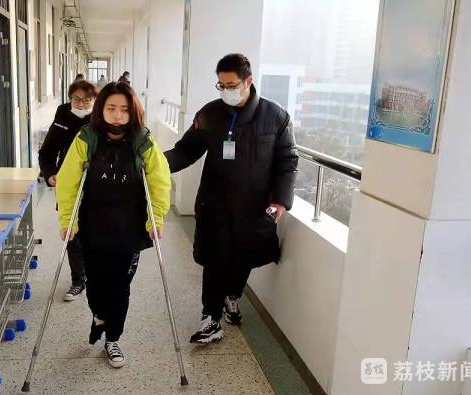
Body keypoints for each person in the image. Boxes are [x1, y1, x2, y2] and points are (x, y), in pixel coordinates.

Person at [164, 53, 298, 344]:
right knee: (214, 261)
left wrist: (281, 200)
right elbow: (186, 150)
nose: (226, 90)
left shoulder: (276, 117)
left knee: (243, 258)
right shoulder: (210, 114)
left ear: (248, 81)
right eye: (221, 85)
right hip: (216, 202)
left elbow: (287, 160)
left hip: (255, 204)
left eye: (231, 85)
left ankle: (232, 296)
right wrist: (155, 165)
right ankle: (210, 318)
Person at [56, 82, 171, 367]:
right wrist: (67, 219)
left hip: (130, 228)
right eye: (111, 108)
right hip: (93, 226)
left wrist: (155, 217)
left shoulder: (143, 140)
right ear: (101, 109)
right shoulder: (87, 138)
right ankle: (100, 315)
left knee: (120, 287)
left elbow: (159, 181)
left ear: (134, 112)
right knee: (96, 285)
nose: (118, 115)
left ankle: (113, 339)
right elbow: (68, 181)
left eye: (125, 109)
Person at [38, 80, 97, 302]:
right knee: (72, 230)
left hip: (96, 183)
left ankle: (95, 274)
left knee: (95, 231)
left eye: (87, 100)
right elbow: (46, 152)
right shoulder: (63, 115)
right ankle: (78, 280)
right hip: (68, 182)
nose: (81, 104)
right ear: (70, 98)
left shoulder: (101, 117)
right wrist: (50, 173)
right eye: (76, 100)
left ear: (94, 100)